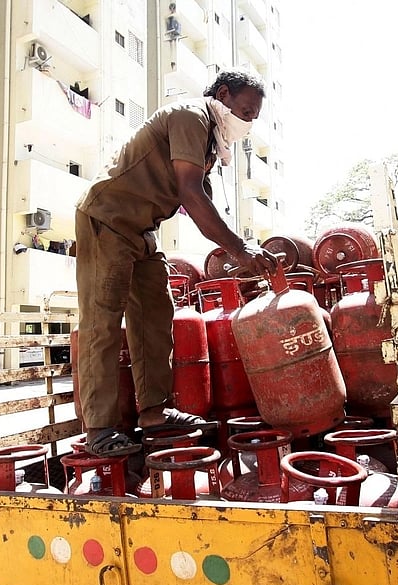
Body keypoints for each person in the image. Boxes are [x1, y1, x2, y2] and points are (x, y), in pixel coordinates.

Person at [74, 69, 278, 457]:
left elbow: (205, 202)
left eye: (254, 117)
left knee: (155, 314)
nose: (249, 122)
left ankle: (154, 412)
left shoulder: (209, 142)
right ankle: (99, 428)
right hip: (108, 217)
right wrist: (240, 250)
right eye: (246, 112)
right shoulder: (191, 116)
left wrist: (242, 248)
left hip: (140, 228)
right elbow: (191, 194)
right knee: (103, 320)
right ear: (223, 94)